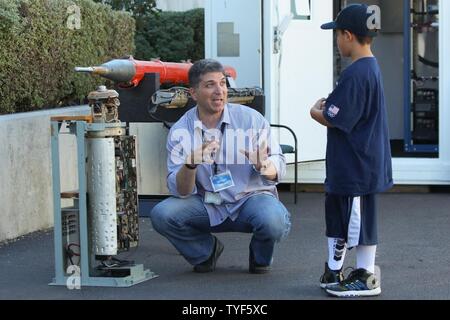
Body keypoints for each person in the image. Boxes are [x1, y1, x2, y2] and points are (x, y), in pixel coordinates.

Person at [150, 59, 291, 274]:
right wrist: (190, 165)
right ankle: (205, 252)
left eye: (223, 83)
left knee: (273, 220)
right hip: (206, 203)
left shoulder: (251, 120)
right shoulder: (181, 131)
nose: (219, 91)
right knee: (162, 214)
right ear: (194, 93)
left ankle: (260, 257)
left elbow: (279, 167)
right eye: (210, 85)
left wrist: (265, 166)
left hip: (249, 199)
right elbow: (181, 191)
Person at [310, 4, 393, 297]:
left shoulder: (357, 73)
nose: (336, 40)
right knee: (340, 214)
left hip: (357, 163)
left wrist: (315, 110)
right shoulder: (368, 67)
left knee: (357, 218)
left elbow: (334, 117)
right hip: (353, 161)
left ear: (348, 35)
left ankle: (366, 275)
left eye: (337, 34)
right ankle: (335, 269)